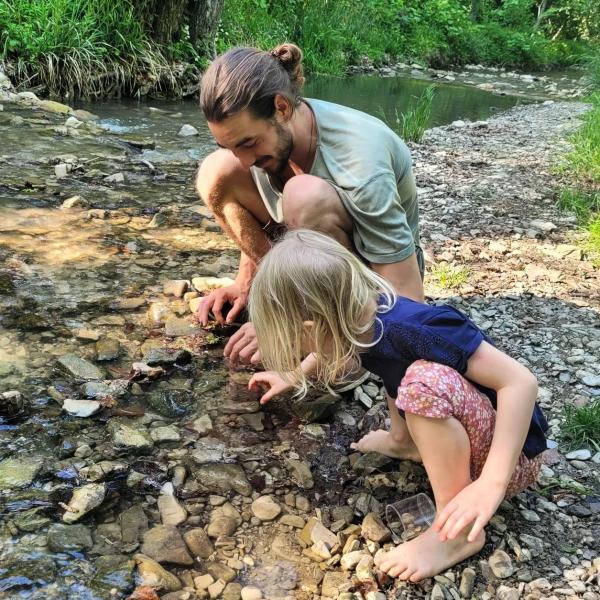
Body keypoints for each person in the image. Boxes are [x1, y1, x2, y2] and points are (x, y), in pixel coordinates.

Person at [246, 229, 548, 581]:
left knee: (422, 385)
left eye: (296, 342)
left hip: (514, 459)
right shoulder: (360, 315)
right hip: (486, 436)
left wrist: (492, 483)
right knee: (409, 379)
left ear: (314, 328)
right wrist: (295, 373)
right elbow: (341, 346)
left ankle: (457, 532)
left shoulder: (419, 328)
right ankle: (403, 442)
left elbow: (521, 382)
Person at [195, 43, 424, 364]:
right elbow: (244, 181)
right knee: (215, 172)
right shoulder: (263, 144)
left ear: (282, 108)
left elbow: (409, 299)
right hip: (314, 258)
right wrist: (246, 283)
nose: (245, 160)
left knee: (303, 195)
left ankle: (329, 332)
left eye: (248, 143)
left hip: (373, 282)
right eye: (230, 145)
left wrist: (297, 335)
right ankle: (269, 291)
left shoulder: (361, 162)